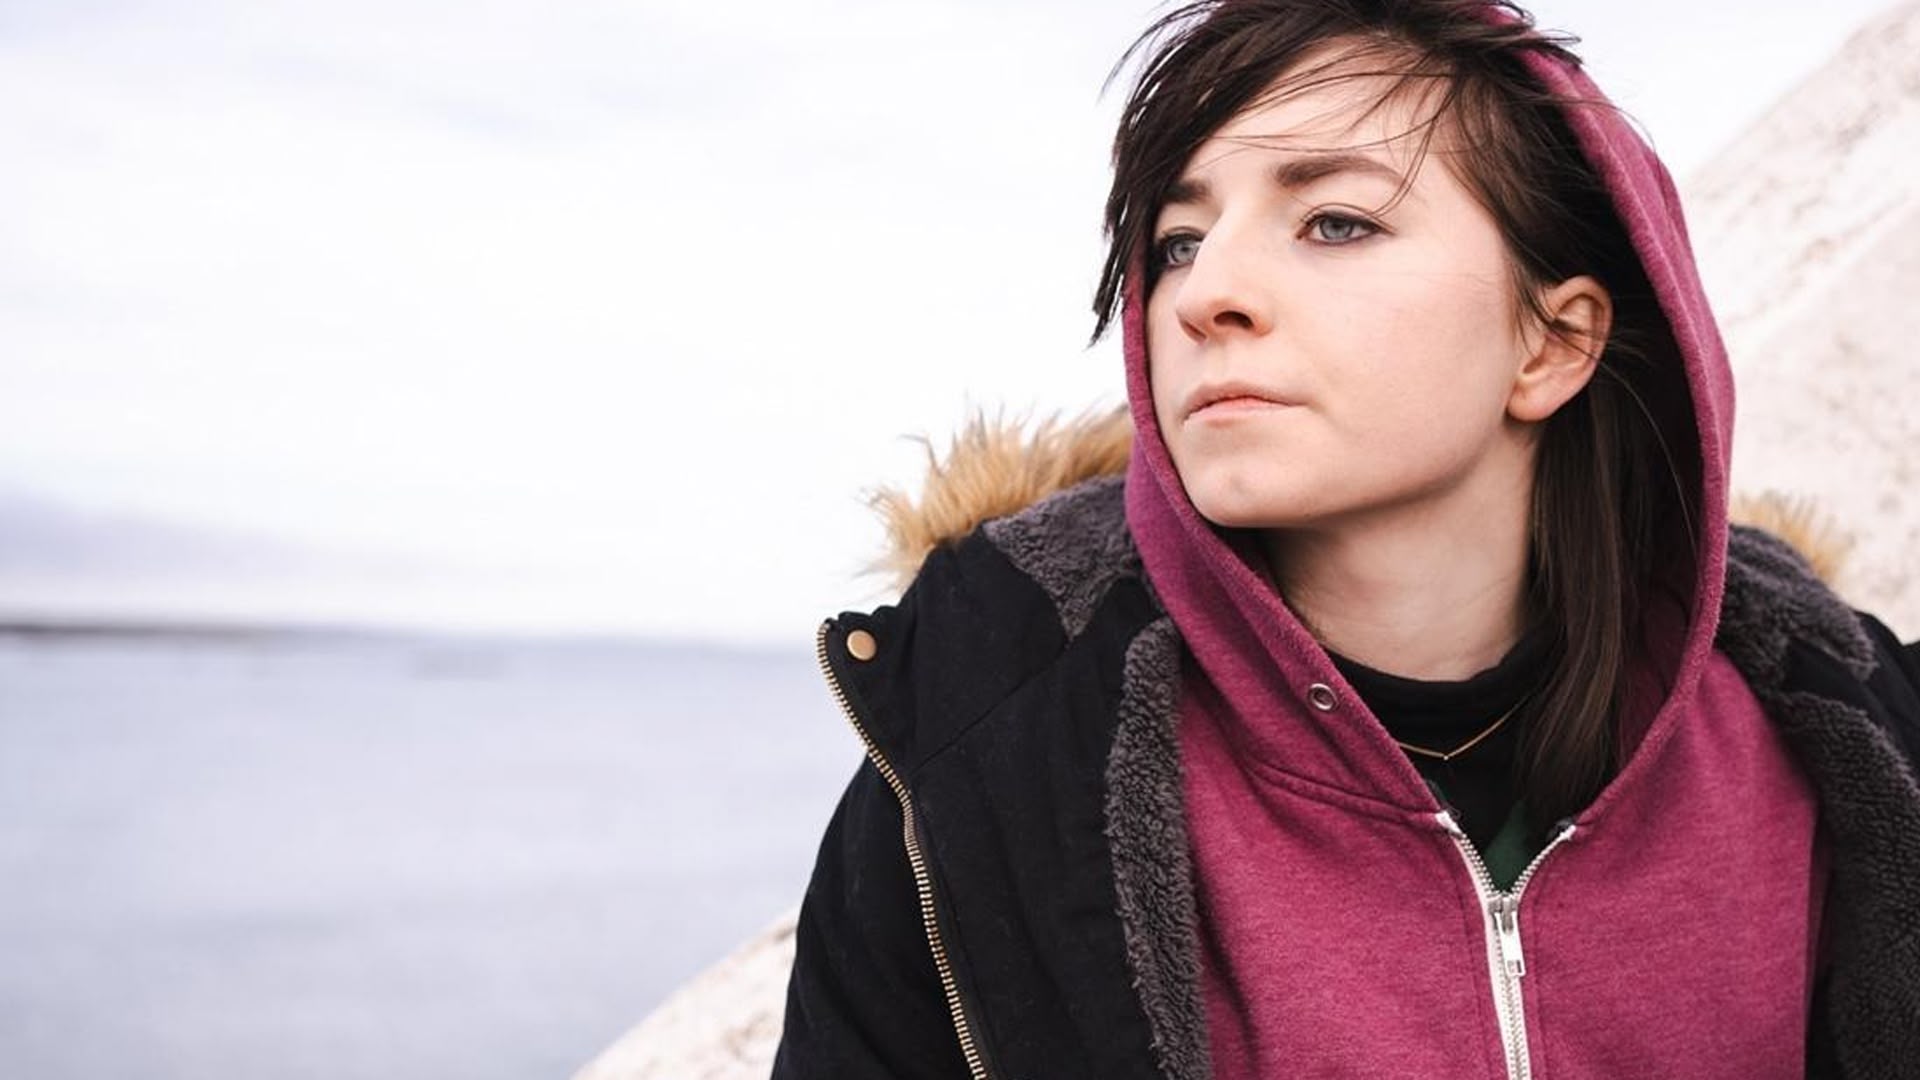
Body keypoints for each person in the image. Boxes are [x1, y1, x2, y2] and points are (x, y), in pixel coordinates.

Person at [772, 1, 1920, 1076]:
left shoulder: (1843, 735)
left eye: (1336, 222)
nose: (1204, 295)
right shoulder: (980, 754)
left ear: (1552, 345)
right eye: (1179, 241)